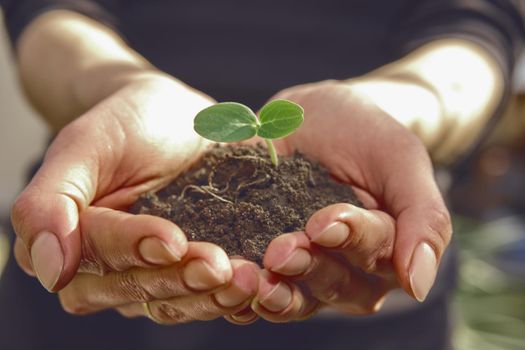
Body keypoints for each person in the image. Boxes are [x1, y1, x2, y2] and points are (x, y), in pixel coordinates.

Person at [0, 1, 523, 349]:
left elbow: (477, 23)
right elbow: (49, 11)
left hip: (375, 318)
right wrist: (115, 91)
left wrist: (399, 113)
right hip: (113, 229)